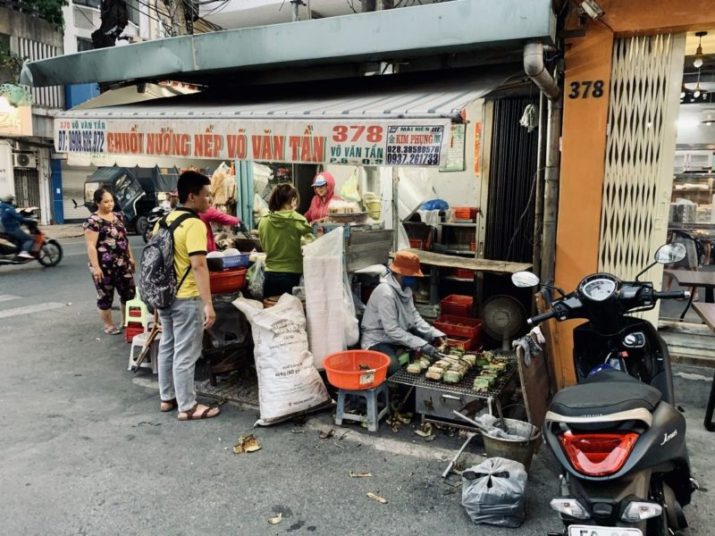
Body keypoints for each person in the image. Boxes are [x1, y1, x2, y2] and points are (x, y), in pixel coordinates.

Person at [155, 170, 219, 421]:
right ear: (192, 197)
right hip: (186, 297)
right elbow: (199, 265)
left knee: (167, 346)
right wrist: (208, 305)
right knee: (186, 352)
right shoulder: (193, 224)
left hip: (165, 296)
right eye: (207, 196)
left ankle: (167, 397)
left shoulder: (164, 221)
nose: (210, 201)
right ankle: (188, 406)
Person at [360, 250, 446, 375]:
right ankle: (397, 392)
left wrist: (435, 333)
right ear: (401, 274)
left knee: (427, 338)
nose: (415, 279)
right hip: (378, 339)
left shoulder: (406, 290)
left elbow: (415, 317)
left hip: (395, 336)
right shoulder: (386, 293)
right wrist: (421, 345)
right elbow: (392, 330)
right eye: (413, 276)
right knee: (393, 367)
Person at [83, 188, 137, 334]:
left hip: (123, 264)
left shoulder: (119, 216)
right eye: (106, 201)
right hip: (104, 266)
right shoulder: (93, 221)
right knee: (105, 297)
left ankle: (126, 322)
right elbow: (91, 246)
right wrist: (96, 267)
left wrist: (130, 257)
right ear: (97, 203)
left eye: (111, 201)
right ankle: (109, 325)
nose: (110, 204)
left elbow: (124, 240)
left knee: (128, 294)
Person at [258, 183, 313, 297]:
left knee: (271, 310)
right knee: (290, 312)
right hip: (291, 274)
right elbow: (312, 244)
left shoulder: (264, 221)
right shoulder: (297, 220)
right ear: (293, 200)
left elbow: (264, 246)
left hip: (270, 274)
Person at [0, 194, 35, 259]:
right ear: (9, 201)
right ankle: (24, 252)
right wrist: (29, 221)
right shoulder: (9, 208)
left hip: (4, 230)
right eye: (12, 200)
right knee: (30, 239)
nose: (12, 202)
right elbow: (19, 218)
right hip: (12, 229)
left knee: (19, 240)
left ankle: (18, 253)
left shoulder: (1, 207)